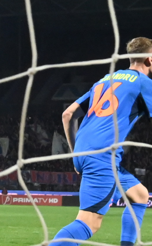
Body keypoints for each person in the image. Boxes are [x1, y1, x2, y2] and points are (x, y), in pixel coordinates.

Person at [50, 37, 152, 246]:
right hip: (102, 155)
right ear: (149, 60)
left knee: (140, 195)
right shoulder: (143, 82)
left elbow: (68, 115)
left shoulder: (106, 79)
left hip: (84, 152)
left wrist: (75, 153)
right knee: (89, 223)